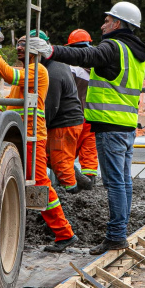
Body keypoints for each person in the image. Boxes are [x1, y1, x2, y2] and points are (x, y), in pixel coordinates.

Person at [30, 2, 145, 256]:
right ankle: (119, 233)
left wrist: (51, 51)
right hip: (126, 126)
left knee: (115, 183)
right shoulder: (136, 54)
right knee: (123, 182)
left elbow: (85, 56)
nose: (103, 25)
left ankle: (116, 236)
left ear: (118, 23)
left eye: (107, 20)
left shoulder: (114, 47)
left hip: (110, 125)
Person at [0, 34, 78, 252]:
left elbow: (8, 75)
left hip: (32, 137)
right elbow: (9, 105)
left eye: (24, 45)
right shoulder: (28, 75)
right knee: (31, 182)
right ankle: (61, 233)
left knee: (40, 183)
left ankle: (65, 234)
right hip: (24, 136)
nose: (19, 48)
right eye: (18, 44)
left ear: (37, 50)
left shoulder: (38, 71)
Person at [30, 30, 91, 193]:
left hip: (65, 123)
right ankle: (82, 182)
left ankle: (72, 194)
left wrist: (40, 127)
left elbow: (51, 105)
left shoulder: (53, 72)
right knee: (53, 158)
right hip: (71, 120)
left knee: (61, 163)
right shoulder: (58, 65)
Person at [65, 29, 99, 184]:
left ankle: (68, 179)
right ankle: (90, 179)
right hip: (92, 116)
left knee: (67, 149)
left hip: (74, 116)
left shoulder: (71, 68)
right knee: (89, 148)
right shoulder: (98, 68)